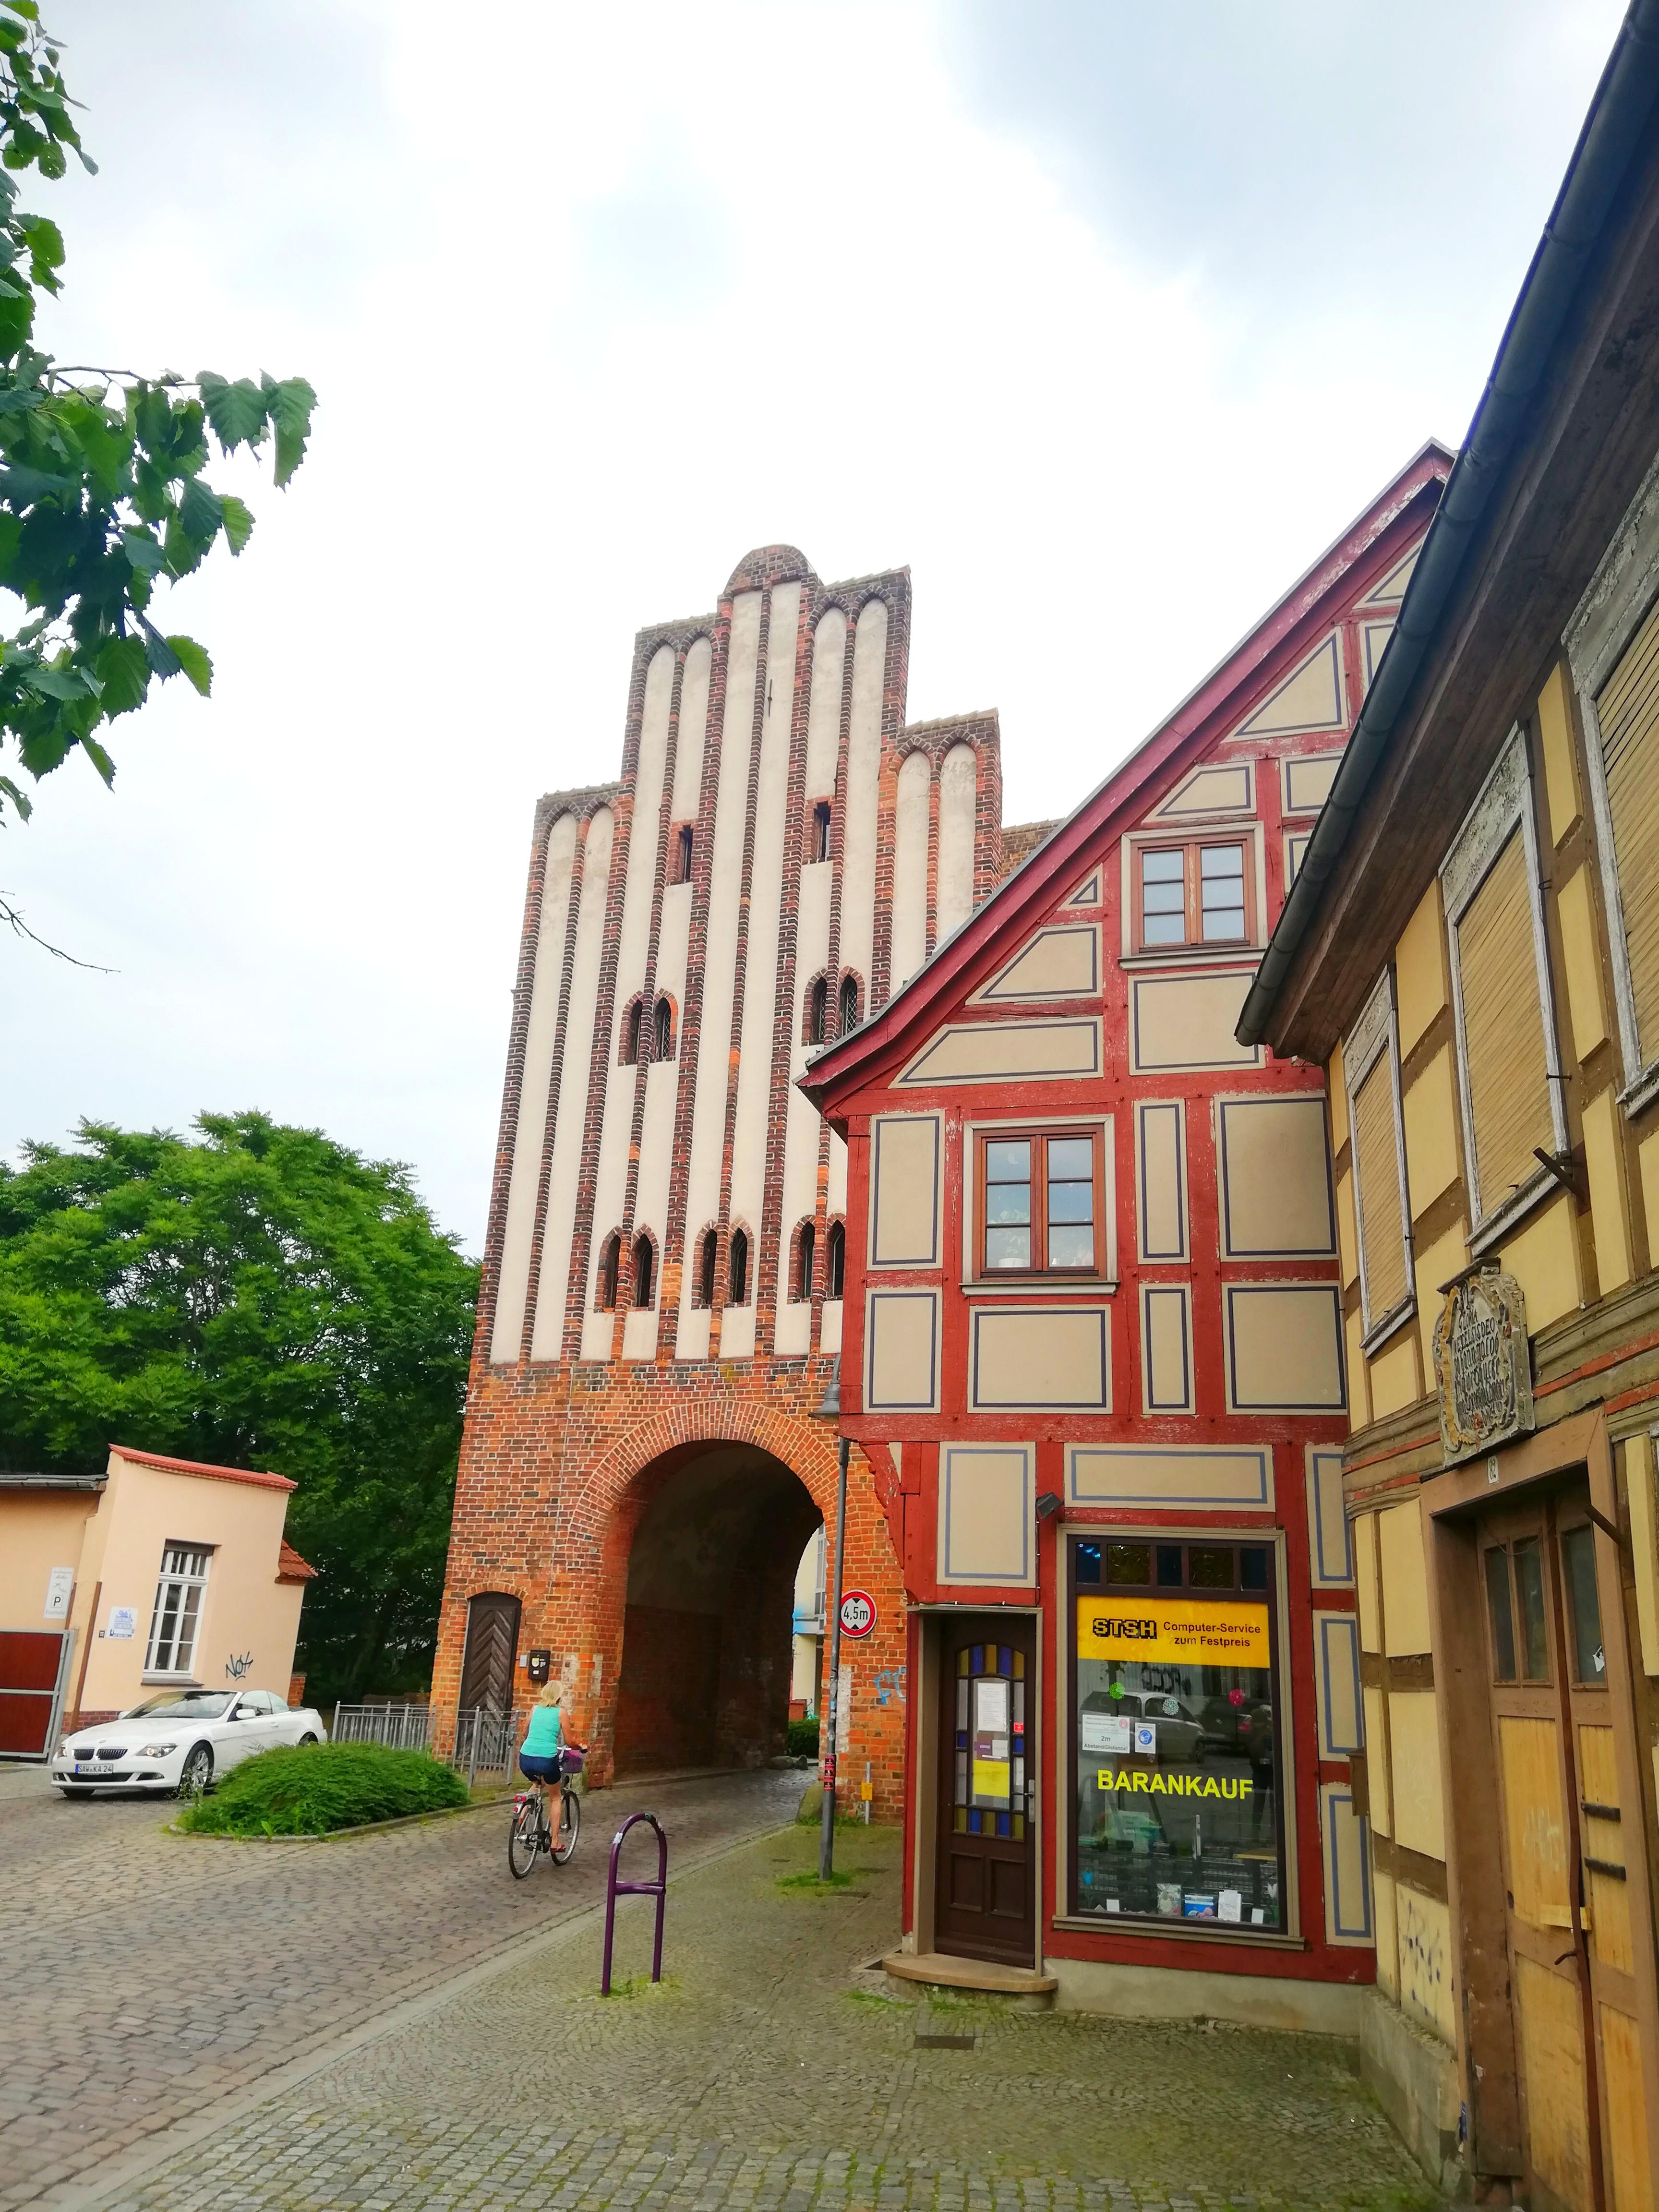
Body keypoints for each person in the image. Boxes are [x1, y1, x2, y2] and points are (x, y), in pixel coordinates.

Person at [518, 1681, 570, 1845]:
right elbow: (569, 1740)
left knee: (537, 1783)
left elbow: (524, 1731)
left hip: (525, 1758)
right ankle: (555, 1842)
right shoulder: (561, 1713)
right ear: (559, 1696)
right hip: (547, 1760)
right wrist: (580, 1747)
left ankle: (523, 1810)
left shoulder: (534, 1709)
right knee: (555, 1797)